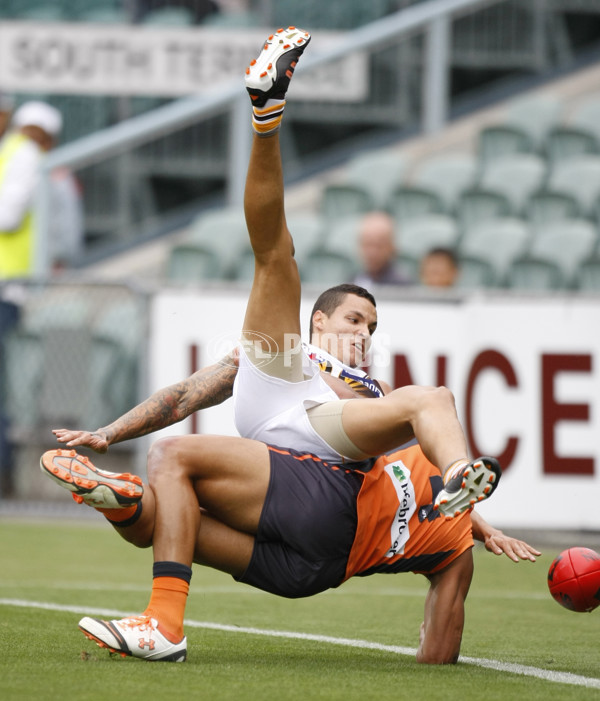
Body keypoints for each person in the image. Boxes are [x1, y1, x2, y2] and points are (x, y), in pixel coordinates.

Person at [41, 27, 540, 665]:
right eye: (356, 319)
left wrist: (473, 515)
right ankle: (267, 117)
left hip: (320, 486)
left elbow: (414, 456)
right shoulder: (294, 357)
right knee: (274, 259)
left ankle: (153, 586)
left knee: (419, 401)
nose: (364, 332)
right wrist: (110, 431)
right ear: (319, 321)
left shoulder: (374, 393)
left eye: (373, 326)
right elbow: (186, 393)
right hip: (293, 442)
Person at [0, 100, 63, 279]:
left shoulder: (24, 156)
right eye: (27, 131)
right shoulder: (12, 155)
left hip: (12, 279)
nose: (31, 138)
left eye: (38, 135)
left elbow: (7, 217)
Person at [351, 211, 413, 288]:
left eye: (379, 245)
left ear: (392, 247)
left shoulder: (402, 286)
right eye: (367, 244)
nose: (372, 252)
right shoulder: (353, 280)